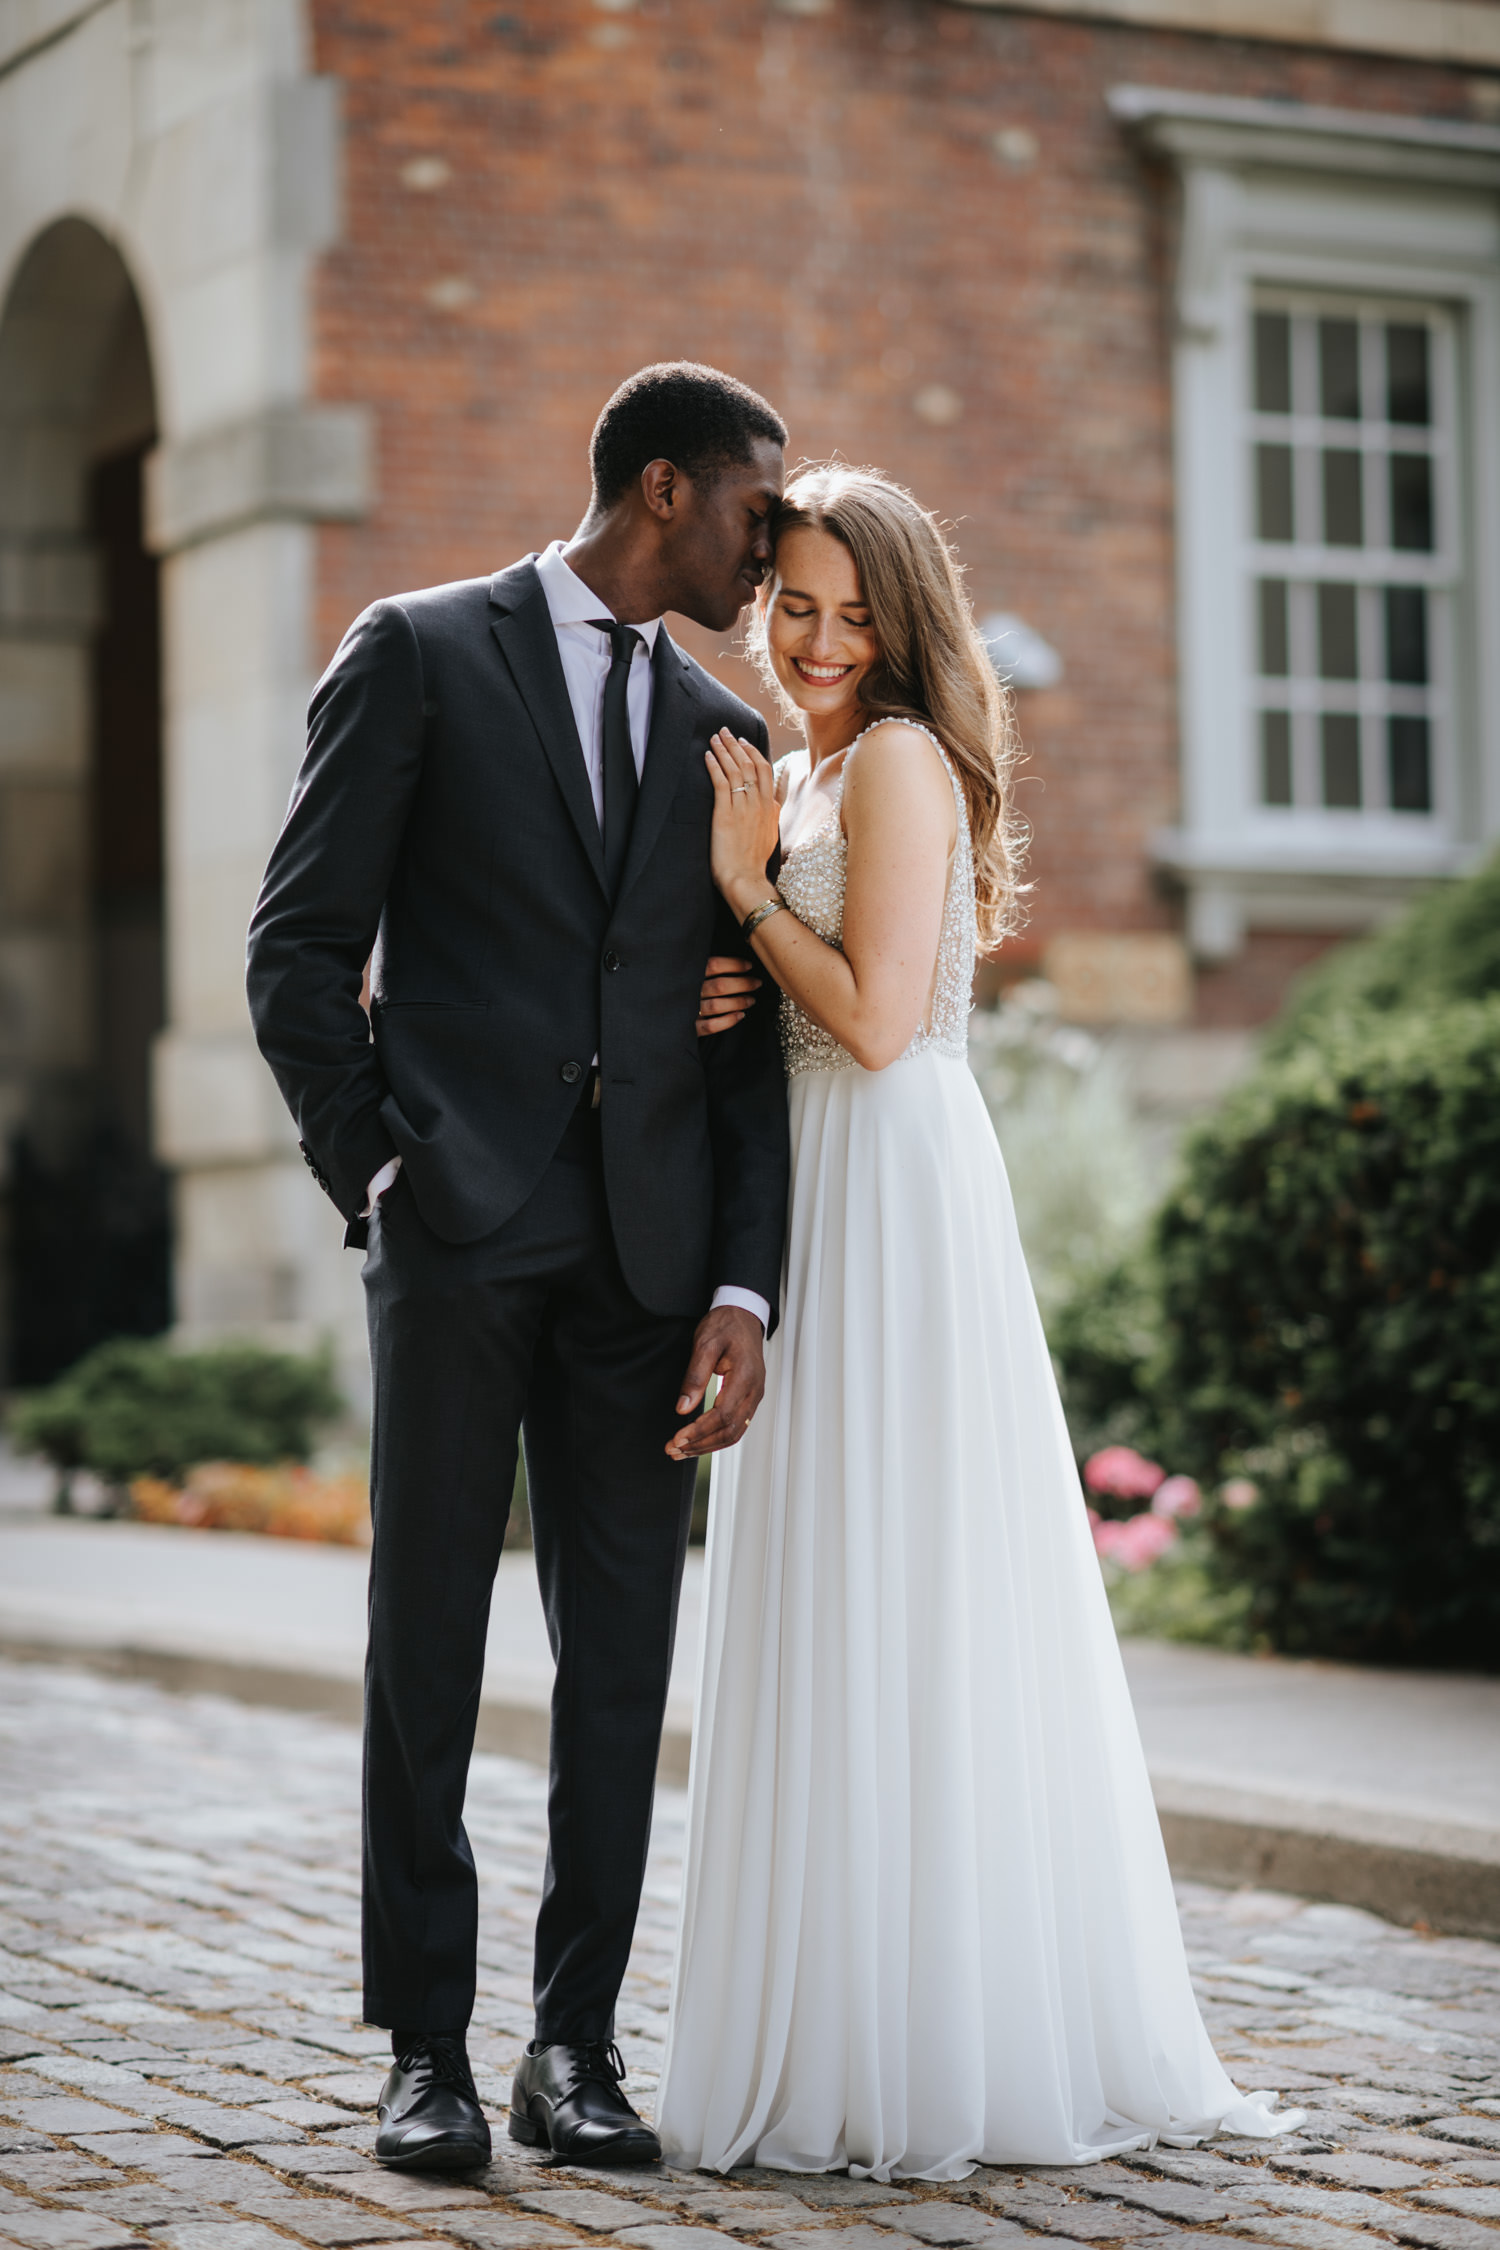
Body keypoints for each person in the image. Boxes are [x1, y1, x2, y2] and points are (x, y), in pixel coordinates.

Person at [656, 465, 1303, 2179]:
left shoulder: (895, 759)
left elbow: (876, 1022)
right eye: (796, 604)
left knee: (909, 1584)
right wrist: (744, 964)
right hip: (812, 1183)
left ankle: (936, 2036)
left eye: (854, 614)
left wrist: (747, 903)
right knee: (829, 1585)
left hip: (891, 1186)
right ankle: (835, 2016)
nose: (819, 639)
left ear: (906, 623)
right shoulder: (800, 762)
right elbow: (805, 993)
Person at [245, 364, 792, 2173]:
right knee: (427, 1640)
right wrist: (382, 1167)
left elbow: (745, 1046)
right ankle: (426, 2049)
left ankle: (574, 2045)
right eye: (753, 511)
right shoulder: (418, 651)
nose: (769, 547)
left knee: (621, 1662)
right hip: (459, 1233)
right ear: (662, 489)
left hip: (648, 1260)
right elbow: (297, 946)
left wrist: (744, 1287)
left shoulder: (726, 730)